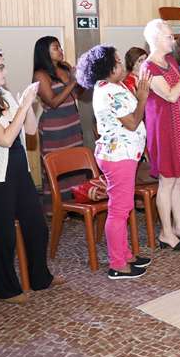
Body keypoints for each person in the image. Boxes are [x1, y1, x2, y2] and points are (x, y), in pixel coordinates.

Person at [0, 48, 63, 302]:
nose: (4, 71)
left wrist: (27, 106)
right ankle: (6, 289)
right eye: (0, 67)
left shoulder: (4, 95)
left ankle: (40, 277)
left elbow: (30, 130)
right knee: (4, 233)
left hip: (18, 168)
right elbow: (5, 139)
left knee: (37, 226)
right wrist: (24, 105)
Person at [77, 45, 152, 280]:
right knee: (119, 210)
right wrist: (142, 98)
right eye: (118, 62)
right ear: (108, 68)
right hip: (118, 156)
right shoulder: (109, 90)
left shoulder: (110, 86)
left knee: (123, 207)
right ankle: (117, 264)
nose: (122, 65)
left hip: (121, 154)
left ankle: (125, 255)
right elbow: (132, 122)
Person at [142, 19, 180, 251]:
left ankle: (179, 227)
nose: (173, 40)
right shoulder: (149, 67)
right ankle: (165, 232)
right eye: (169, 36)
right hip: (164, 129)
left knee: (178, 179)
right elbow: (170, 95)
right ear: (156, 39)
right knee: (167, 181)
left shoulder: (169, 61)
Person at [32, 36, 84, 200]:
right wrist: (72, 82)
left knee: (75, 165)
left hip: (72, 123)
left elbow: (75, 94)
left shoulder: (65, 67)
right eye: (56, 48)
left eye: (60, 47)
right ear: (44, 52)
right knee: (57, 167)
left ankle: (76, 203)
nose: (61, 50)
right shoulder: (40, 75)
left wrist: (82, 80)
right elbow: (53, 102)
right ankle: (56, 206)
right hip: (54, 128)